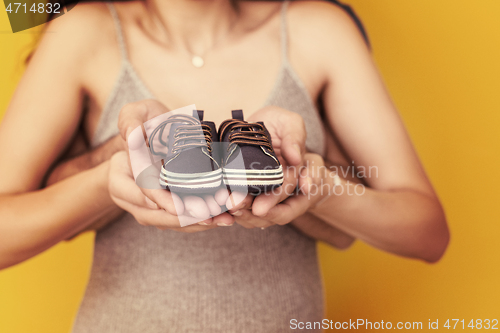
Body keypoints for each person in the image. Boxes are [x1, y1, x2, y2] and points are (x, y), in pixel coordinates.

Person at [0, 0, 449, 332]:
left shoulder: (320, 30)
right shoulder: (81, 31)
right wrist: (110, 178)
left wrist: (316, 185)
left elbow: (427, 232)